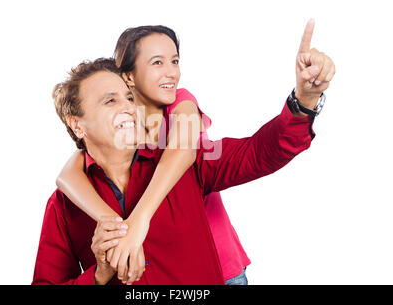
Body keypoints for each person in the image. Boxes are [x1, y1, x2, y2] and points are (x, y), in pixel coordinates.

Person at [32, 20, 335, 284]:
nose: (127, 107)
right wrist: (98, 276)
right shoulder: (63, 206)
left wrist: (304, 100)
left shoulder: (184, 149)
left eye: (127, 99)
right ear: (77, 124)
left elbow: (259, 152)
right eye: (110, 101)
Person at [56, 25, 250, 285]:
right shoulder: (122, 127)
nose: (171, 72)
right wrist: (121, 229)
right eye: (157, 62)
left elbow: (183, 151)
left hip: (221, 264)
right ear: (128, 76)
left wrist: (137, 222)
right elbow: (69, 174)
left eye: (175, 61)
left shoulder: (179, 105)